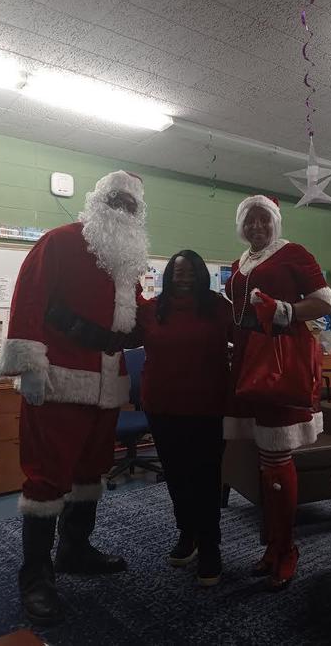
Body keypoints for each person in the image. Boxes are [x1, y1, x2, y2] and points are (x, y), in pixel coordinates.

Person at [0, 170, 148, 625]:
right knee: (47, 477)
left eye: (131, 204)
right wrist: (29, 365)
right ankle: (35, 577)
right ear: (97, 201)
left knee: (90, 470)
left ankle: (75, 550)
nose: (122, 209)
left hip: (107, 382)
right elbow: (28, 299)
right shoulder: (59, 242)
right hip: (59, 379)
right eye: (115, 199)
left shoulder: (127, 263)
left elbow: (137, 317)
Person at [225, 194, 331, 591]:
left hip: (280, 361)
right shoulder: (239, 263)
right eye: (249, 220)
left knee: (276, 457)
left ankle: (286, 548)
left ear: (275, 221)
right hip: (247, 360)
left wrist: (285, 310)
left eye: (263, 219)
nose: (256, 226)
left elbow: (324, 302)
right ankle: (273, 545)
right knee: (264, 456)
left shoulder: (294, 254)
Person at [128, 250, 231, 586]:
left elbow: (247, 339)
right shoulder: (152, 309)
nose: (183, 278)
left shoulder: (218, 307)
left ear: (201, 275)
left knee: (206, 478)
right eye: (177, 272)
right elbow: (124, 335)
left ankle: (210, 545)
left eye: (189, 272)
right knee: (176, 476)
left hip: (207, 407)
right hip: (162, 407)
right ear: (168, 276)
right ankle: (187, 534)